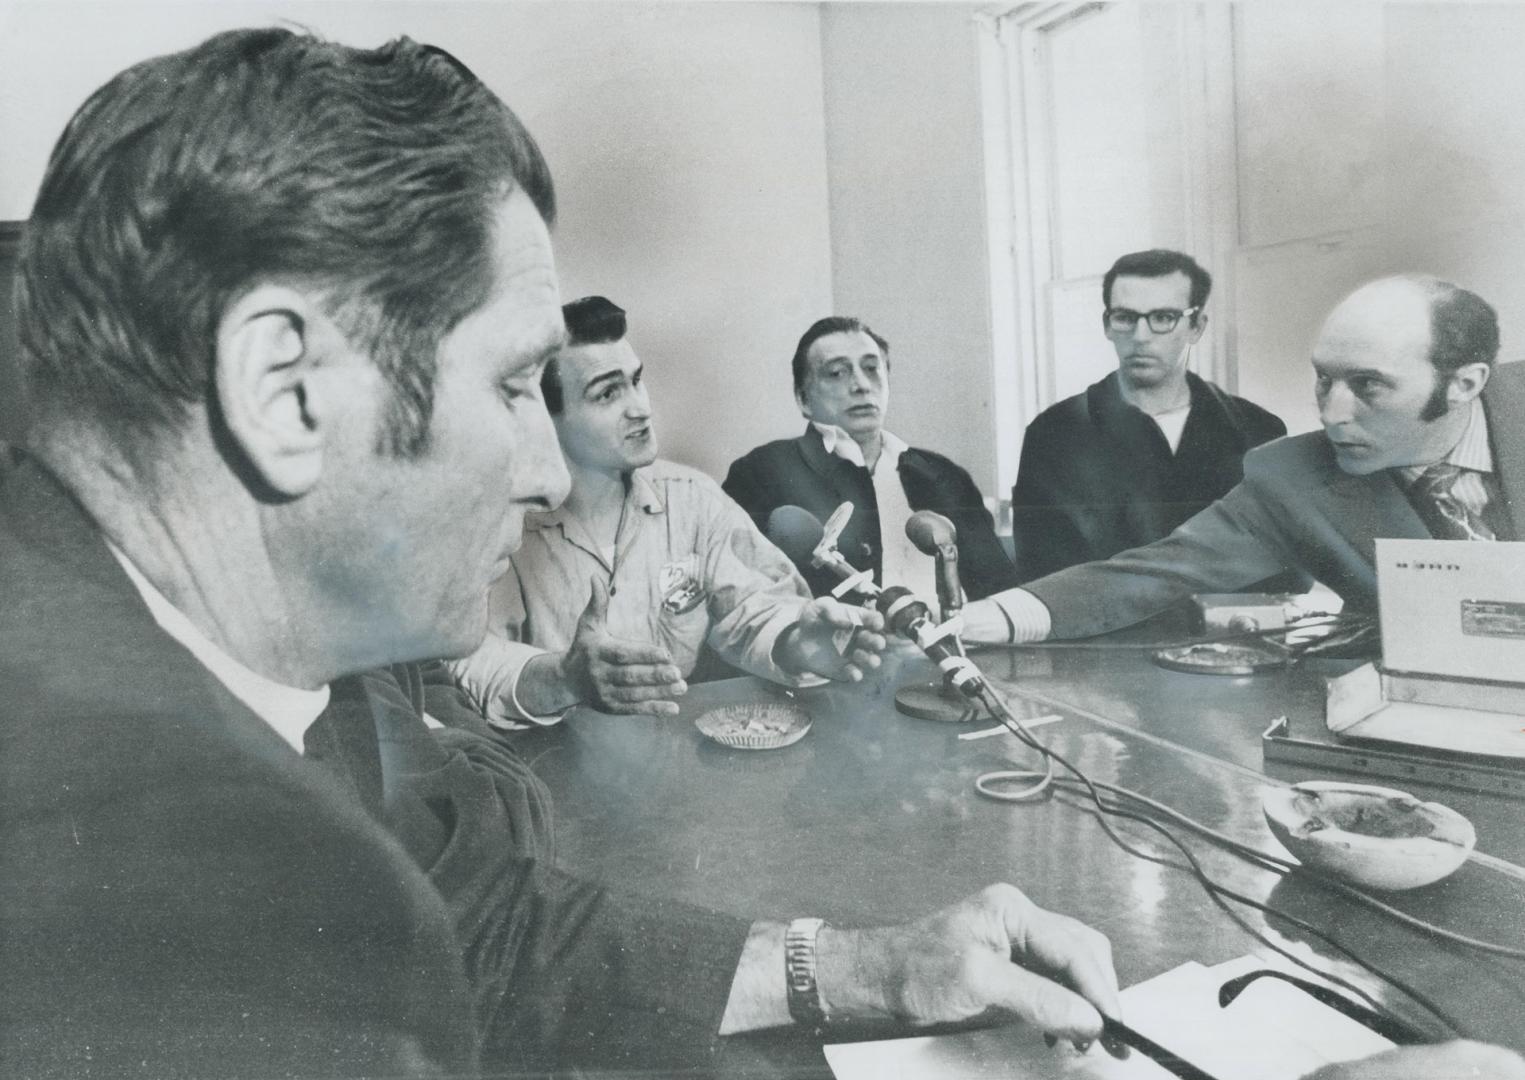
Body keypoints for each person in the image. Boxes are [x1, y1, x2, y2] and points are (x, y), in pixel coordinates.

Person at [1, 27, 1123, 1078]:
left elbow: (476, 926)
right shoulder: (106, 839)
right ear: (284, 392)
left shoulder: (310, 639)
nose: (541, 472)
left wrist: (875, 965)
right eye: (507, 386)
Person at [962, 275, 1519, 645]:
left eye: (1369, 385)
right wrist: (986, 618)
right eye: (1324, 379)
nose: (1331, 413)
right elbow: (1152, 573)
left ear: (1464, 384)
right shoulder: (1290, 478)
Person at [448, 295, 887, 726]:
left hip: (674, 764)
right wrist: (563, 679)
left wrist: (798, 642)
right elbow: (468, 660)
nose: (641, 408)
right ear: (547, 419)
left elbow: (754, 606)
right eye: (607, 394)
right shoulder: (504, 523)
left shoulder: (691, 497)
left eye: (636, 381)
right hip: (551, 771)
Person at [1010, 249, 1286, 581]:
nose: (1140, 337)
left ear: (1196, 327)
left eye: (1163, 318)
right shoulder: (1053, 435)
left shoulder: (1257, 431)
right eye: (1125, 317)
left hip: (1237, 629)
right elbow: (1042, 575)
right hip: (1105, 629)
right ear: (1107, 326)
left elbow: (1280, 567)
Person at [723, 316, 1018, 603]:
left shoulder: (942, 473)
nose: (861, 385)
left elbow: (998, 587)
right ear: (803, 398)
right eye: (837, 373)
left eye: (872, 369)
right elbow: (741, 597)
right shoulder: (761, 472)